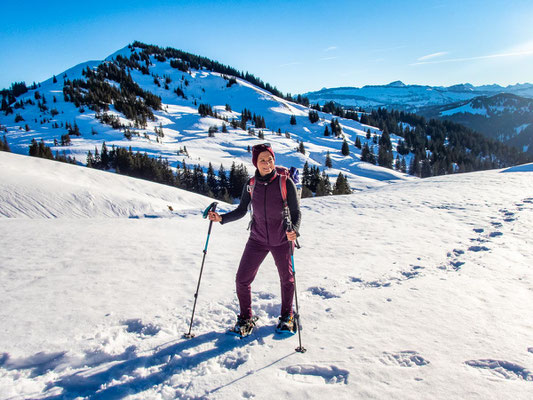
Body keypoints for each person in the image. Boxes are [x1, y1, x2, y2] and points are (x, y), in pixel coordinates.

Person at [208, 143, 301, 336]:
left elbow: (296, 211)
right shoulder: (251, 185)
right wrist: (221, 218)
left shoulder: (285, 183)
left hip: (282, 238)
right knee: (242, 279)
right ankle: (245, 318)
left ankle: (287, 317)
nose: (267, 164)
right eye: (262, 160)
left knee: (287, 279)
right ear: (255, 163)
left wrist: (294, 231)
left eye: (270, 159)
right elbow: (242, 210)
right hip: (257, 240)